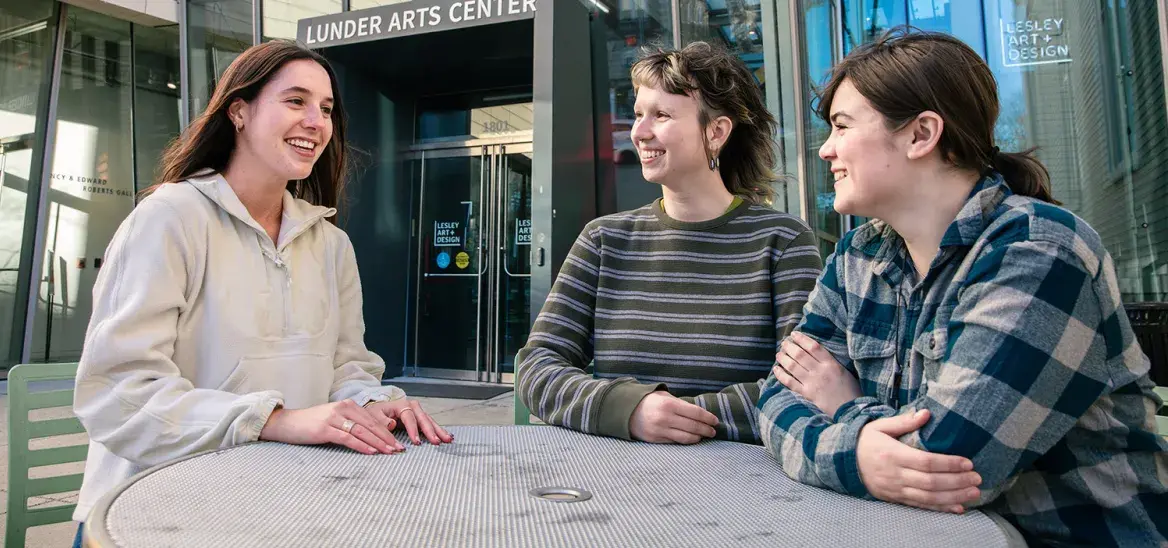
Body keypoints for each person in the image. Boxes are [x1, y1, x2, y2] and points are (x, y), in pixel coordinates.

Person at [758, 28, 1168, 546]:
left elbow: (952, 464)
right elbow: (775, 397)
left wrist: (844, 409)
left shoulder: (1038, 253)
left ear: (921, 134)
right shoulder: (858, 255)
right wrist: (863, 453)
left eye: (841, 126)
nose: (825, 150)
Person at [70, 40, 453, 546]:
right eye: (295, 101)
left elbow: (346, 367)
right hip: (149, 513)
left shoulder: (332, 244)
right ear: (239, 111)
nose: (316, 121)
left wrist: (373, 402)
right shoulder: (169, 219)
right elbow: (117, 392)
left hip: (281, 501)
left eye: (326, 108)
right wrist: (275, 419)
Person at [514, 42, 822, 445]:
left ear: (716, 132)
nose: (639, 132)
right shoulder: (604, 240)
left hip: (746, 487)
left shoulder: (784, 242)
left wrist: (676, 418)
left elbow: (804, 385)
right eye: (639, 114)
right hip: (615, 480)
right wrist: (628, 409)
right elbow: (536, 366)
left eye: (660, 115)